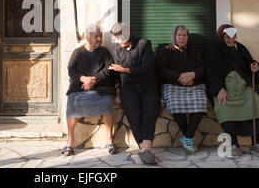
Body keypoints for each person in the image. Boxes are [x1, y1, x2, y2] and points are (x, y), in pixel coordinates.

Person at [205, 24, 259, 159]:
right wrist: (219, 89)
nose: (231, 40)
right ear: (221, 37)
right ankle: (234, 145)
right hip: (225, 87)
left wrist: (254, 66)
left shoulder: (240, 48)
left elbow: (250, 62)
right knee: (225, 106)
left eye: (233, 37)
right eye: (228, 37)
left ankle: (255, 143)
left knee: (257, 101)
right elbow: (211, 72)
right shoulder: (213, 51)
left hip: (244, 85)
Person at [63, 24, 120, 156]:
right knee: (72, 103)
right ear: (88, 38)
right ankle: (70, 140)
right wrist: (84, 79)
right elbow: (71, 70)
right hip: (79, 88)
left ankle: (109, 140)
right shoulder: (78, 52)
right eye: (96, 36)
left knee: (107, 102)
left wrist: (93, 80)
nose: (99, 39)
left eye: (100, 36)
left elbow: (108, 70)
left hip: (101, 88)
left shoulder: (105, 52)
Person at [108, 22, 160, 165]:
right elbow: (114, 75)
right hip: (128, 87)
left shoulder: (144, 44)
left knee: (150, 113)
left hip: (148, 85)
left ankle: (145, 148)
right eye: (115, 39)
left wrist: (124, 69)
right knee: (133, 115)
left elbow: (146, 68)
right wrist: (117, 93)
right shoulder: (114, 50)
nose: (117, 42)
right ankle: (146, 149)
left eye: (119, 38)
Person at [158, 25, 207, 154]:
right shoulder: (165, 51)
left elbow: (202, 68)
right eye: (179, 35)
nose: (181, 38)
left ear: (187, 37)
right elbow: (162, 70)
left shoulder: (195, 51)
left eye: (184, 35)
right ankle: (188, 137)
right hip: (173, 85)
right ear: (174, 36)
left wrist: (192, 75)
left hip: (194, 84)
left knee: (201, 102)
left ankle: (187, 137)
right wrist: (180, 76)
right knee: (174, 103)